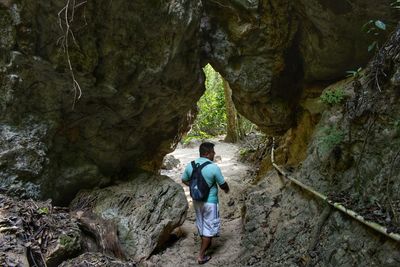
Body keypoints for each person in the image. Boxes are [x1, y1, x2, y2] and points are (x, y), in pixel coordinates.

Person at [182, 142, 230, 265]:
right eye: (213, 152)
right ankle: (201, 256)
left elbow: (184, 179)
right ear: (207, 153)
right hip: (210, 202)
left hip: (197, 201)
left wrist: (194, 188)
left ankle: (206, 243)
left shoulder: (190, 165)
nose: (214, 154)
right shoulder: (213, 167)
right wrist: (226, 190)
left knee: (202, 224)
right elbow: (222, 184)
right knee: (209, 229)